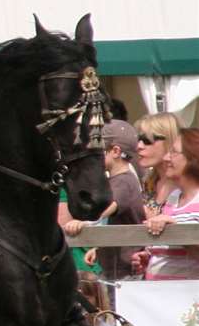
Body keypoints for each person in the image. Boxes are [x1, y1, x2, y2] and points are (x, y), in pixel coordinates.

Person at [62, 119, 147, 278]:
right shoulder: (115, 180)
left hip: (125, 268)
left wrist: (84, 222)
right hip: (113, 263)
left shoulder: (124, 181)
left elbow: (106, 208)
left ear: (115, 151)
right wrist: (99, 248)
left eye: (98, 150)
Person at [135, 129, 199, 280]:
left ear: (193, 158)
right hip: (160, 296)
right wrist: (152, 256)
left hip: (187, 298)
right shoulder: (173, 198)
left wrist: (177, 229)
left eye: (174, 152)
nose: (166, 158)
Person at [136, 112, 183, 215]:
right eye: (138, 139)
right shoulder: (148, 181)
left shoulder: (187, 183)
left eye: (147, 140)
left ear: (169, 141)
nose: (139, 146)